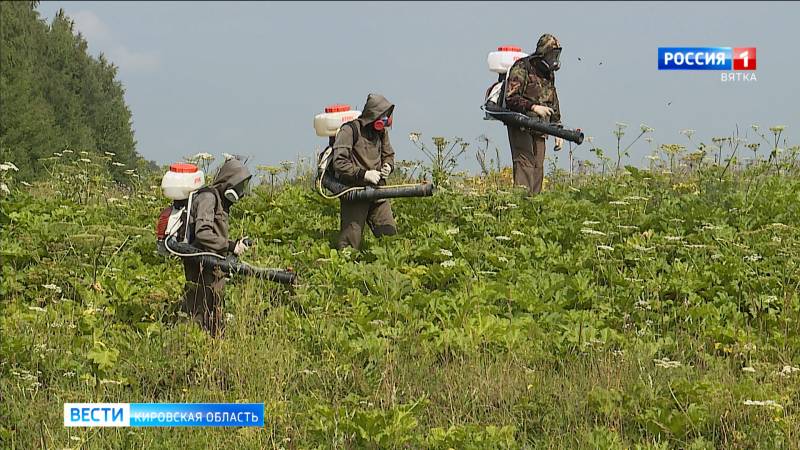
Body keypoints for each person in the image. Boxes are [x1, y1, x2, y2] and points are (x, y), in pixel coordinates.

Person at [181, 157, 252, 336]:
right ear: (229, 181)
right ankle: (194, 345)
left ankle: (214, 344)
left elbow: (214, 232)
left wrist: (233, 245)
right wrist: (230, 245)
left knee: (213, 307)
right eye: (238, 186)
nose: (240, 192)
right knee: (199, 309)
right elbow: (203, 233)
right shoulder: (208, 197)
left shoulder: (219, 200)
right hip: (201, 263)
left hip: (212, 263)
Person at [330, 93, 397, 250]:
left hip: (378, 192)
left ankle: (390, 269)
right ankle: (343, 271)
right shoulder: (349, 131)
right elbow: (339, 162)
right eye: (383, 116)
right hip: (355, 192)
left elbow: (389, 155)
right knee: (350, 243)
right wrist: (364, 174)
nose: (385, 120)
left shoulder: (381, 132)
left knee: (390, 238)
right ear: (373, 114)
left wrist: (388, 166)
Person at [504, 33, 564, 195]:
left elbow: (553, 100)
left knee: (538, 167)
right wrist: (533, 107)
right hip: (521, 125)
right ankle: (520, 207)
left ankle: (534, 207)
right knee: (525, 165)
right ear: (543, 53)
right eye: (553, 54)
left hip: (541, 127)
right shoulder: (522, 67)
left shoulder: (548, 74)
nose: (555, 59)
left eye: (557, 55)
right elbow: (511, 98)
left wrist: (558, 128)